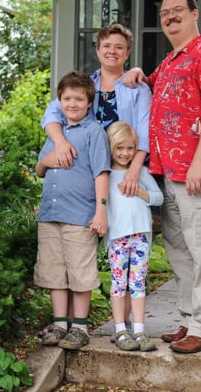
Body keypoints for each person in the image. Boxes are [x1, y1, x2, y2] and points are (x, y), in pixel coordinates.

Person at [123, 0, 201, 354]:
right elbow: (153, 87)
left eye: (177, 11)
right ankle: (190, 319)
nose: (170, 17)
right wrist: (139, 72)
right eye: (164, 13)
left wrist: (200, 160)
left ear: (194, 13)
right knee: (180, 251)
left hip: (199, 173)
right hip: (168, 172)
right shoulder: (171, 60)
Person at [40, 23, 152, 331]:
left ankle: (125, 324)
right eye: (107, 46)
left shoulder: (136, 87)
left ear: (127, 53)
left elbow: (144, 130)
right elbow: (52, 113)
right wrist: (61, 142)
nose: (112, 51)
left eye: (119, 47)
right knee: (87, 245)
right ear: (97, 50)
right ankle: (80, 321)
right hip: (84, 175)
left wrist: (133, 172)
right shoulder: (84, 86)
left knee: (125, 244)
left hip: (120, 173)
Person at [34, 71, 110, 350]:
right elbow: (40, 168)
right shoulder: (56, 131)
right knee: (54, 271)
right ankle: (59, 323)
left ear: (89, 102)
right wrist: (48, 160)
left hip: (80, 216)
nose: (73, 104)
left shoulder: (94, 132)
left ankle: (79, 325)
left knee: (80, 272)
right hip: (51, 214)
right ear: (60, 100)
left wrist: (101, 212)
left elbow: (101, 174)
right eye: (67, 98)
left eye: (79, 99)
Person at [104, 121, 163, 352]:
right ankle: (120, 329)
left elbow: (159, 198)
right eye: (119, 148)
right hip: (117, 237)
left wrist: (139, 190)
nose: (125, 153)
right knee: (119, 285)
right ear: (111, 147)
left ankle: (139, 331)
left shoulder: (140, 172)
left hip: (141, 237)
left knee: (138, 285)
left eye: (130, 148)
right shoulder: (105, 175)